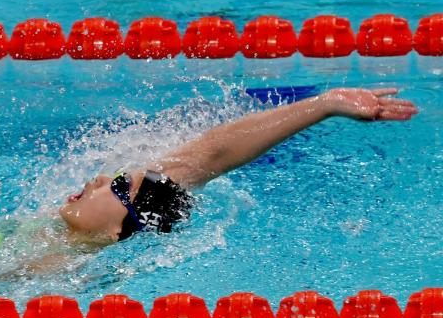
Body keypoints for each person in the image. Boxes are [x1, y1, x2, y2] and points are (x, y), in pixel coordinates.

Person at [58, 88, 418, 243]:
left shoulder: (66, 276)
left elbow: (212, 156)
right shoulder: (58, 232)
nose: (101, 178)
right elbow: (210, 153)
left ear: (115, 232)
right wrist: (321, 104)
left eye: (120, 185)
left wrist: (325, 106)